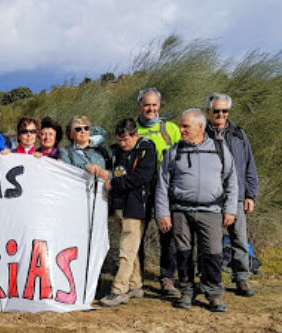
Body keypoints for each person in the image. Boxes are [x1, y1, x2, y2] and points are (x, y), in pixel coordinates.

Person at [155, 109, 238, 312]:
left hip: (212, 211)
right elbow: (162, 184)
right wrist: (163, 213)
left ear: (200, 127)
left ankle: (214, 295)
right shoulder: (174, 151)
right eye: (181, 125)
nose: (181, 130)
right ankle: (186, 292)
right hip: (181, 211)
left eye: (185, 126)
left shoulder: (220, 149)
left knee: (212, 254)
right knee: (183, 253)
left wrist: (230, 210)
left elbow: (231, 181)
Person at [205, 93, 259, 297]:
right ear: (208, 112)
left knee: (239, 239)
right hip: (210, 196)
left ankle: (242, 279)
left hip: (236, 195)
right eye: (216, 111)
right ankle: (212, 278)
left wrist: (250, 195)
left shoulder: (239, 134)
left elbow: (249, 165)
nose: (220, 115)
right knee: (211, 240)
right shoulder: (202, 134)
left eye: (224, 111)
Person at [100, 119, 157, 306]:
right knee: (129, 247)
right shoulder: (116, 151)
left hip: (136, 205)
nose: (123, 144)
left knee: (127, 248)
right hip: (118, 204)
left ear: (136, 135)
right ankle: (135, 284)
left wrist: (115, 183)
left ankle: (119, 289)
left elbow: (142, 177)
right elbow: (115, 173)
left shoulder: (146, 150)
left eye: (126, 140)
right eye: (120, 140)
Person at [135, 87, 182, 298]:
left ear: (159, 106)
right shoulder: (132, 129)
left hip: (166, 188)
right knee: (137, 234)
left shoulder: (171, 129)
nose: (151, 108)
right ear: (139, 106)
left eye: (154, 105)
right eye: (147, 104)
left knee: (168, 233)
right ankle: (136, 278)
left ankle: (167, 277)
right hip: (139, 190)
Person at [59, 115, 110, 180]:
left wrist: (108, 175)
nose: (83, 131)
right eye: (78, 129)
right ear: (71, 134)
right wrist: (86, 167)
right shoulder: (65, 152)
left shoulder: (103, 150)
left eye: (86, 128)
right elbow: (66, 169)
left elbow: (116, 171)